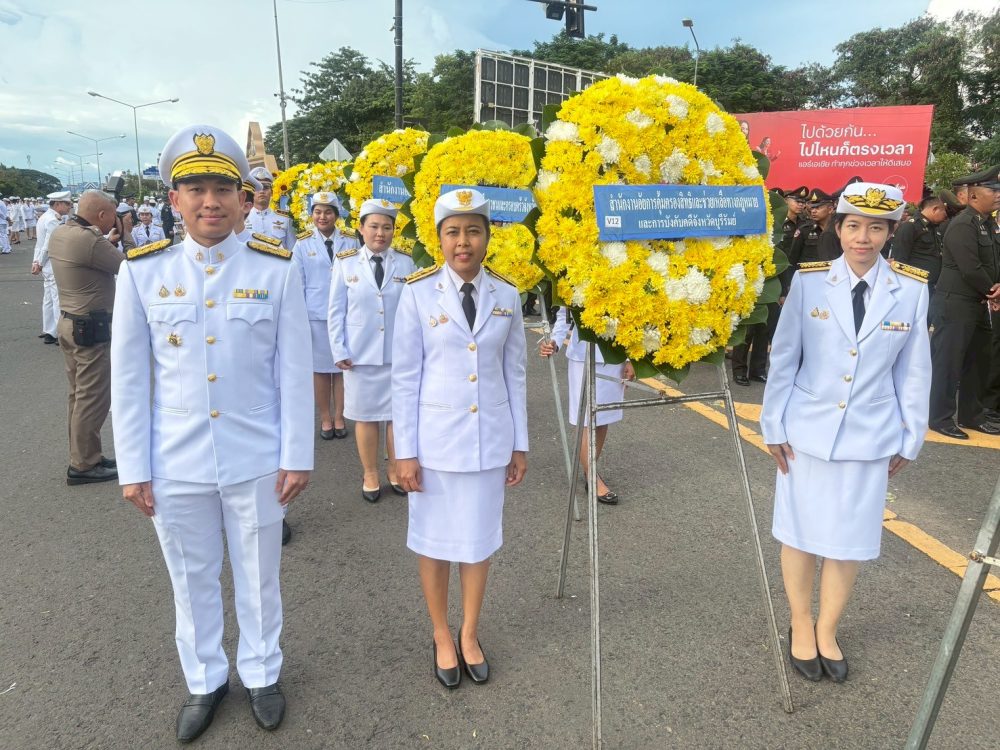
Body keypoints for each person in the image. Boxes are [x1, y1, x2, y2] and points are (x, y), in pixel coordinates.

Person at [110, 125, 313, 742]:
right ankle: (204, 679)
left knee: (259, 575)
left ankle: (262, 672)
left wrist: (298, 454)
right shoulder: (143, 273)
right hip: (175, 459)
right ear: (174, 199)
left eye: (222, 189)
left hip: (257, 454)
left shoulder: (275, 269)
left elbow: (294, 370)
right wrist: (133, 469)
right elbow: (129, 380)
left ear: (243, 199)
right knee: (190, 577)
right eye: (195, 189)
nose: (210, 202)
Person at [761, 182, 931, 684]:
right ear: (838, 229)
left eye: (876, 228)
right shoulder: (811, 282)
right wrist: (772, 424)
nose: (863, 237)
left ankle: (828, 628)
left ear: (890, 233)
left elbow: (914, 370)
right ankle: (801, 622)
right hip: (806, 432)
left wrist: (910, 436)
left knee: (848, 540)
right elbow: (785, 357)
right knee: (799, 533)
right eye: (854, 225)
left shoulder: (911, 290)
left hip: (869, 436)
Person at [393, 189, 528, 689]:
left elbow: (515, 373)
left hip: (489, 440)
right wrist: (404, 452)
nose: (463, 242)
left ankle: (469, 632)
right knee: (433, 543)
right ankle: (440, 633)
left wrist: (519, 443)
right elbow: (404, 378)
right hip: (434, 445)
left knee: (477, 542)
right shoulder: (416, 293)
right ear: (439, 239)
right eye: (453, 232)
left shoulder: (506, 295)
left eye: (473, 231)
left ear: (488, 237)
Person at [328, 198, 416, 502]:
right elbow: (335, 311)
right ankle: (370, 473)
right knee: (365, 417)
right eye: (374, 226)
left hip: (398, 354)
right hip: (359, 355)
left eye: (387, 227)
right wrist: (338, 349)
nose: (380, 233)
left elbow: (415, 309)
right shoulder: (345, 263)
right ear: (361, 229)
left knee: (397, 417)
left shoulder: (406, 262)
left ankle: (394, 468)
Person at [48, 190, 130, 484]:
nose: (114, 220)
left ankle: (85, 455)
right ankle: (84, 465)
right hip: (90, 329)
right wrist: (126, 234)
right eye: (112, 215)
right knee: (92, 398)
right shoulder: (89, 240)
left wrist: (109, 239)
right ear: (102, 215)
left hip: (71, 323)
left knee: (78, 396)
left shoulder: (62, 232)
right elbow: (128, 266)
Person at [927, 166, 1000, 439]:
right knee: (948, 363)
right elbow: (970, 267)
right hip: (955, 303)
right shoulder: (963, 224)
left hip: (977, 302)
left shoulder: (986, 223)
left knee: (978, 361)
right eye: (992, 190)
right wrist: (994, 292)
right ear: (973, 196)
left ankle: (972, 415)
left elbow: (993, 262)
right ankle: (940, 418)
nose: (998, 194)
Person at [540, 307, 633, 503]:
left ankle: (589, 470)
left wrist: (631, 358)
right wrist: (555, 341)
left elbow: (633, 315)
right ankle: (592, 477)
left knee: (603, 416)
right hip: (582, 354)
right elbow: (564, 314)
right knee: (584, 419)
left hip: (615, 352)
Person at [292, 192, 358, 442]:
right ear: (312, 215)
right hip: (316, 315)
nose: (323, 216)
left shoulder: (350, 240)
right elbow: (298, 282)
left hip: (345, 313)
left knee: (342, 368)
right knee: (320, 371)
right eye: (318, 212)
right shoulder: (302, 244)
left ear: (336, 215)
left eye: (328, 212)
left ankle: (340, 416)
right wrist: (298, 317)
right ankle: (325, 417)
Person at [32, 191, 74, 344]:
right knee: (57, 299)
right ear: (57, 204)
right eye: (67, 204)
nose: (70, 206)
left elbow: (39, 245)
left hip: (46, 264)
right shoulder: (52, 220)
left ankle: (50, 331)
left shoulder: (45, 217)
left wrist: (36, 261)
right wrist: (40, 263)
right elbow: (48, 245)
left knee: (49, 298)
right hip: (52, 263)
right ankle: (60, 333)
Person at [889, 193, 947, 302]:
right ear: (935, 209)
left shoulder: (933, 227)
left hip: (931, 285)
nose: (945, 216)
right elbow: (900, 259)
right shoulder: (910, 226)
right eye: (944, 212)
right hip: (915, 285)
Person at [245, 167, 295, 249]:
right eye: (257, 188)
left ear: (271, 192)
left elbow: (292, 250)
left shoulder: (285, 219)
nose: (262, 191)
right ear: (251, 191)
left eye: (265, 187)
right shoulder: (242, 219)